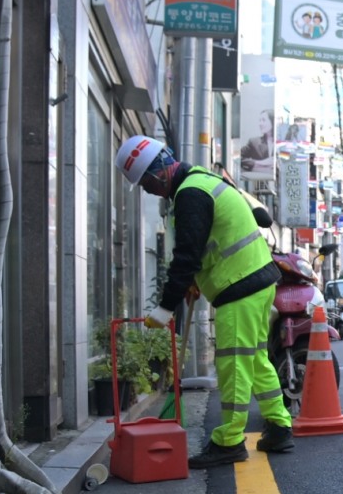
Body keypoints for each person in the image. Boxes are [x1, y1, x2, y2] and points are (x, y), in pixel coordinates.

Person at [114, 135, 296, 467]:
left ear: (158, 174)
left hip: (240, 289)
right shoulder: (202, 180)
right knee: (254, 359)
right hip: (256, 282)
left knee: (233, 364)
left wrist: (165, 307)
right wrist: (197, 282)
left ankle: (229, 441)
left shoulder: (190, 195)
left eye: (144, 183)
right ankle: (279, 426)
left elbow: (186, 256)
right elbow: (208, 248)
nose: (146, 190)